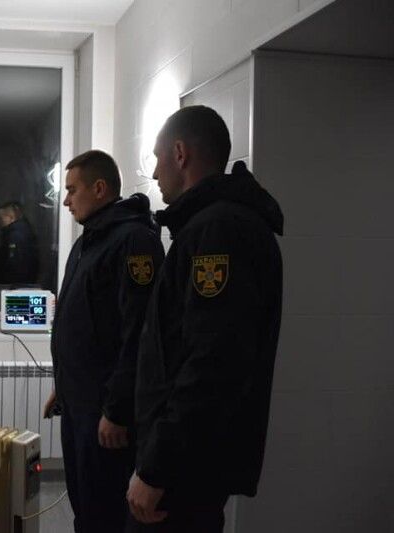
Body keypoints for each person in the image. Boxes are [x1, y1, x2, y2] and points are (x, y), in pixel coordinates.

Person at [127, 105, 283, 532]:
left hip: (184, 467)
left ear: (180, 154)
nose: (154, 173)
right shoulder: (207, 225)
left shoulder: (219, 230)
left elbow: (213, 362)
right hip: (184, 457)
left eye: (158, 159)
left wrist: (156, 467)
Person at [44, 150, 165, 533]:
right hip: (78, 403)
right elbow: (85, 325)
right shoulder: (88, 242)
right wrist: (63, 385)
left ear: (99, 189)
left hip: (106, 415)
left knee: (104, 513)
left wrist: (117, 410)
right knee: (84, 505)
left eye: (72, 190)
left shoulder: (134, 242)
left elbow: (139, 336)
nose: (66, 201)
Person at [0, 201, 39, 295]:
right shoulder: (21, 232)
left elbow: (15, 265)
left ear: (11, 217)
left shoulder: (15, 236)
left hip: (14, 289)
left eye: (0, 218)